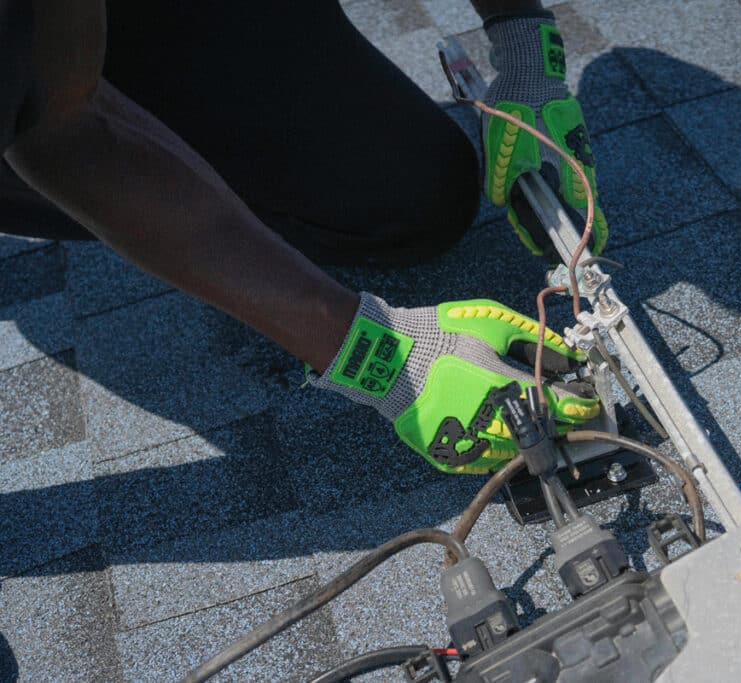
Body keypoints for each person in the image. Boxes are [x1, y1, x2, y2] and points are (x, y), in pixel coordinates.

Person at [1, 0, 609, 473]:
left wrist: (527, 46)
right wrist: (375, 352)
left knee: (410, 192)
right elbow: (66, 128)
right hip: (31, 92)